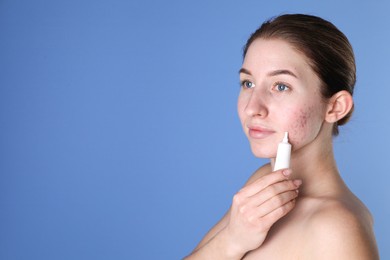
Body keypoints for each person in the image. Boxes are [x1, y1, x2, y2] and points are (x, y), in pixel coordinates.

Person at [185, 14, 379, 259]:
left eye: (281, 86)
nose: (252, 108)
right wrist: (232, 240)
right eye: (248, 83)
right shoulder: (264, 181)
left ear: (335, 107)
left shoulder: (338, 228)